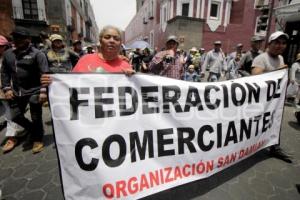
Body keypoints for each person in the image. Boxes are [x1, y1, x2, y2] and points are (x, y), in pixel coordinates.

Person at [1, 26, 49, 153]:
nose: (17, 40)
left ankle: (38, 139)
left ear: (28, 39)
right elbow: (5, 72)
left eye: (21, 38)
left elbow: (44, 74)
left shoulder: (38, 54)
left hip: (35, 90)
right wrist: (7, 89)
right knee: (15, 116)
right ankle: (33, 130)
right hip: (17, 91)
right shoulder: (8, 54)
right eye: (15, 37)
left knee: (36, 116)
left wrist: (44, 91)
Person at [41, 25, 134, 86]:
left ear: (120, 43)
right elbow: (70, 82)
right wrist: (53, 81)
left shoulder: (126, 65)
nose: (112, 41)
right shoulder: (85, 60)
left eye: (116, 38)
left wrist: (134, 78)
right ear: (100, 41)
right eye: (107, 37)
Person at [252, 31, 292, 163]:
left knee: (275, 122)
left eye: (283, 43)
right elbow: (255, 79)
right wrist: (278, 72)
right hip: (261, 103)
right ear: (269, 44)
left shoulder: (280, 58)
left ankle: (274, 147)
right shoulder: (261, 59)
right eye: (277, 43)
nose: (280, 46)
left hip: (274, 102)